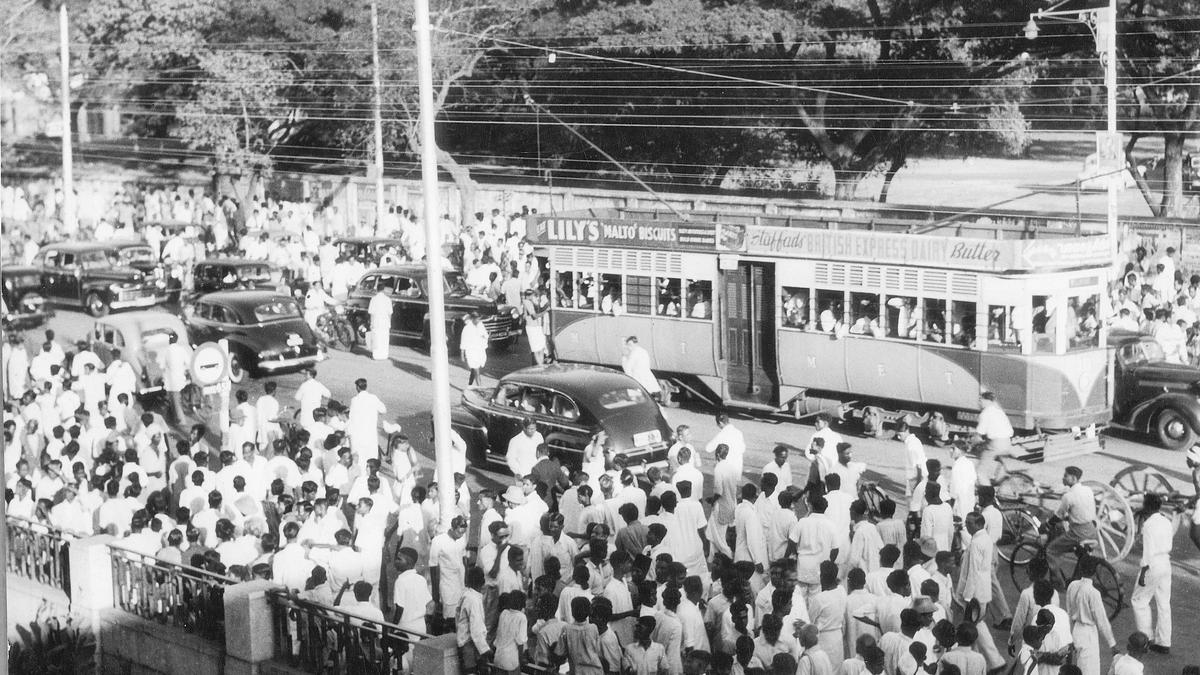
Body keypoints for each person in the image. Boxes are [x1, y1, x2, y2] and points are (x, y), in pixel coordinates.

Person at [1131, 493, 1172, 654]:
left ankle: (1145, 639)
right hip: (1165, 563)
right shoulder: (1166, 521)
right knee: (1163, 603)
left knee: (1139, 600)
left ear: (1146, 505)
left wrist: (1142, 573)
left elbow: (1147, 553)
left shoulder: (1148, 525)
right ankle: (1164, 641)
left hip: (1152, 564)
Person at [1067, 555, 1118, 675]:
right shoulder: (1093, 593)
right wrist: (1112, 644)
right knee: (1089, 671)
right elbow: (1102, 621)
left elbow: (1069, 612)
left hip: (1075, 631)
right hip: (1088, 634)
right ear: (1095, 572)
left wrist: (1069, 635)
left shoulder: (1072, 585)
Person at [1046, 466, 1097, 571]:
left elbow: (1058, 515)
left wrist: (1047, 524)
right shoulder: (1088, 490)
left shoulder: (1068, 496)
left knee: (1051, 550)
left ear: (1073, 478)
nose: (1063, 478)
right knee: (1079, 552)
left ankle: (1058, 584)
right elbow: (1081, 509)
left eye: (1065, 476)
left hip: (1078, 533)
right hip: (1092, 529)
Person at [975, 391, 1013, 485]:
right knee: (988, 454)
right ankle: (995, 480)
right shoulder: (999, 411)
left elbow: (980, 433)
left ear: (987, 401)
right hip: (1007, 442)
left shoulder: (985, 413)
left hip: (996, 444)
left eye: (981, 400)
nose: (979, 402)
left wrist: (972, 442)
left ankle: (988, 496)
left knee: (980, 472)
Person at [621, 336, 662, 401]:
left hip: (636, 377)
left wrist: (624, 358)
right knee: (647, 394)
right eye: (628, 345)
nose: (629, 347)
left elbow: (628, 368)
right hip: (646, 376)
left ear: (635, 344)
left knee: (636, 397)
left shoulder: (633, 353)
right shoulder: (643, 351)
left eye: (630, 345)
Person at [163, 331, 190, 422]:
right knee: (176, 400)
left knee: (175, 402)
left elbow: (163, 366)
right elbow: (188, 363)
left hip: (171, 381)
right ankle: (175, 419)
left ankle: (181, 421)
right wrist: (183, 369)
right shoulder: (181, 349)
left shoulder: (167, 350)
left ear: (169, 340)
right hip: (180, 379)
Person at [460, 312, 489, 386]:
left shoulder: (481, 325)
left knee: (475, 369)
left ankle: (469, 384)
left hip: (480, 350)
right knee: (476, 370)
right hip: (471, 351)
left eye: (479, 319)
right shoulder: (467, 328)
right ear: (472, 319)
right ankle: (480, 388)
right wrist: (462, 355)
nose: (478, 320)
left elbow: (485, 334)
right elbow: (463, 341)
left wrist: (485, 336)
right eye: (476, 319)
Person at [368, 284, 393, 360]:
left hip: (376, 321)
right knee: (384, 338)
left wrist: (371, 323)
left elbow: (371, 313)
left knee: (376, 338)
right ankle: (384, 355)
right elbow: (390, 313)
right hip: (385, 321)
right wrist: (389, 322)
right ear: (383, 290)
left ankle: (376, 355)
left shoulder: (373, 299)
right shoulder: (388, 299)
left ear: (377, 290)